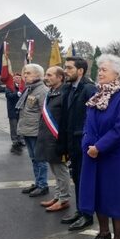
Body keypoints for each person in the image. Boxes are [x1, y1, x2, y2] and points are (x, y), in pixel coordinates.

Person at [80, 54, 120, 239]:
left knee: (116, 198)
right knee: (98, 195)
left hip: (114, 157)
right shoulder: (98, 95)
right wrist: (87, 143)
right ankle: (103, 233)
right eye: (99, 69)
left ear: (117, 73)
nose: (99, 73)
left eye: (104, 69)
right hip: (93, 153)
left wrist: (99, 147)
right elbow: (89, 123)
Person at [58, 56, 96, 230]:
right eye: (65, 68)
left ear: (80, 71)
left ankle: (87, 215)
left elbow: (95, 118)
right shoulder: (68, 88)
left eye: (69, 68)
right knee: (76, 176)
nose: (65, 71)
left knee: (83, 179)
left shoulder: (89, 89)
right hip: (71, 140)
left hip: (83, 141)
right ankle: (80, 210)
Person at [35, 66, 71, 212]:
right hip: (48, 138)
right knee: (55, 171)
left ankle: (64, 199)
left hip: (58, 140)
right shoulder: (52, 92)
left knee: (61, 171)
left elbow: (66, 119)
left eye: (50, 75)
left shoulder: (65, 93)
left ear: (60, 77)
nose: (46, 78)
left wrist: (63, 141)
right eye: (46, 75)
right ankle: (57, 196)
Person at [17, 64, 49, 197]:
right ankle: (37, 182)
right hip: (28, 130)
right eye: (25, 73)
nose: (25, 76)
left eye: (28, 73)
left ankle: (43, 185)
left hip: (37, 131)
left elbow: (45, 114)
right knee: (34, 158)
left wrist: (43, 132)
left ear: (37, 75)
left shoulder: (42, 90)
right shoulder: (29, 89)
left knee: (40, 159)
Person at [5, 73, 25, 154]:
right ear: (13, 79)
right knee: (14, 126)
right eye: (16, 78)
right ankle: (15, 140)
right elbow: (8, 95)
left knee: (21, 126)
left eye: (19, 78)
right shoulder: (9, 86)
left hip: (21, 109)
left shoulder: (23, 87)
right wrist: (17, 93)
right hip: (12, 109)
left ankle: (21, 139)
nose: (18, 79)